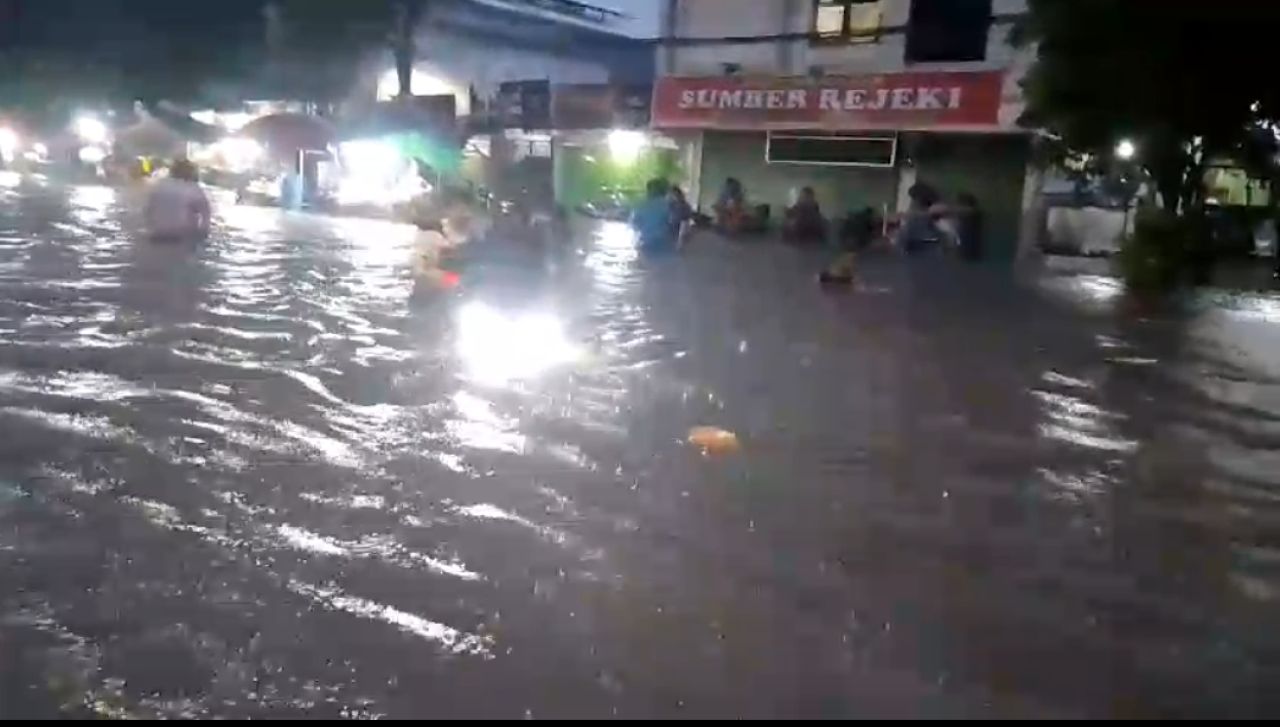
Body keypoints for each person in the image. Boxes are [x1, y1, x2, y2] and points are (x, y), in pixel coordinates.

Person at [145, 159, 211, 242]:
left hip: (157, 234)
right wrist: (203, 236)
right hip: (182, 235)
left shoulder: (159, 186)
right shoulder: (194, 188)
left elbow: (148, 211)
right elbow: (205, 217)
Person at [631, 178, 677, 254]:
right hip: (664, 242)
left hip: (646, 241)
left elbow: (635, 224)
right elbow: (673, 223)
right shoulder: (669, 204)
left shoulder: (640, 204)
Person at [953, 192, 984, 261]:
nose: (957, 208)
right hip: (970, 253)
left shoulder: (969, 216)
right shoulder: (973, 216)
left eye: (959, 205)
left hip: (969, 253)